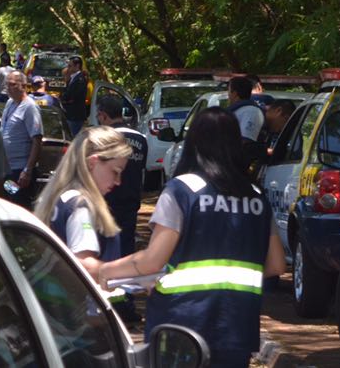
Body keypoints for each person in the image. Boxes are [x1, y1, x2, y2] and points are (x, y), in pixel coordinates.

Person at [97, 109, 286, 368]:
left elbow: (152, 261)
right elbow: (276, 265)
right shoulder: (256, 196)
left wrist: (105, 271)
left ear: (193, 142)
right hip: (237, 327)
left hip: (180, 326)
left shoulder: (182, 190)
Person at [34, 126, 133, 278]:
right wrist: (135, 270)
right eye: (115, 172)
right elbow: (85, 265)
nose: (118, 181)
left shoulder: (62, 198)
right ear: (92, 163)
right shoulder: (80, 206)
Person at [97, 95, 148, 271]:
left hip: (106, 201)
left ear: (103, 115)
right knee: (126, 248)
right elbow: (141, 170)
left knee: (105, 250)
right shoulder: (141, 139)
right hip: (131, 201)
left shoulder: (104, 138)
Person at [1, 71, 43, 208]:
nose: (8, 88)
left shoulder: (30, 107)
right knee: (7, 204)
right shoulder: (10, 103)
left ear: (24, 86)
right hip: (8, 169)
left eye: (12, 84)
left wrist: (27, 170)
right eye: (7, 84)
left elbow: (37, 140)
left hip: (20, 171)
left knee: (19, 205)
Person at [226, 74, 267, 173]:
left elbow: (246, 142)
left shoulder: (251, 112)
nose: (228, 96)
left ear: (234, 93)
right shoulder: (235, 110)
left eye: (229, 91)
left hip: (238, 167)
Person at [62, 56, 89, 137]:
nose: (68, 68)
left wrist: (65, 99)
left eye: (70, 66)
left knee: (73, 137)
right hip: (70, 114)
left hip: (75, 115)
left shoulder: (80, 79)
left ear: (77, 66)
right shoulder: (73, 78)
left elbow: (72, 96)